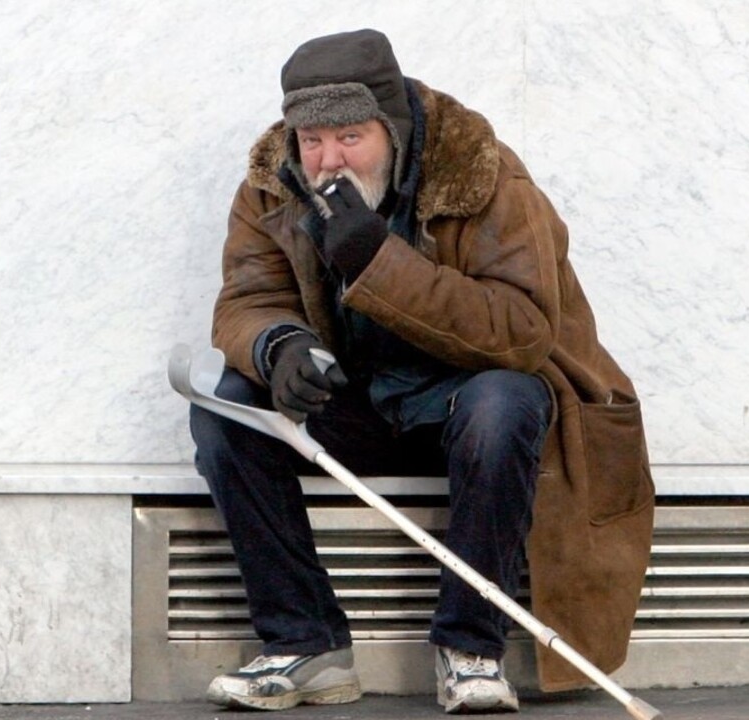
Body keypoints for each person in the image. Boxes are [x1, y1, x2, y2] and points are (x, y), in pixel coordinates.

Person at [189, 29, 655, 714]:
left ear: (394, 128)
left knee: (507, 399)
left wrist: (377, 262)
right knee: (227, 407)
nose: (328, 161)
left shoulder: (486, 176)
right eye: (312, 140)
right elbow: (248, 299)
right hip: (355, 400)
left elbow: (523, 331)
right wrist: (280, 348)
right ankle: (304, 643)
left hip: (463, 403)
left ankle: (471, 648)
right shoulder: (273, 186)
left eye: (349, 137)